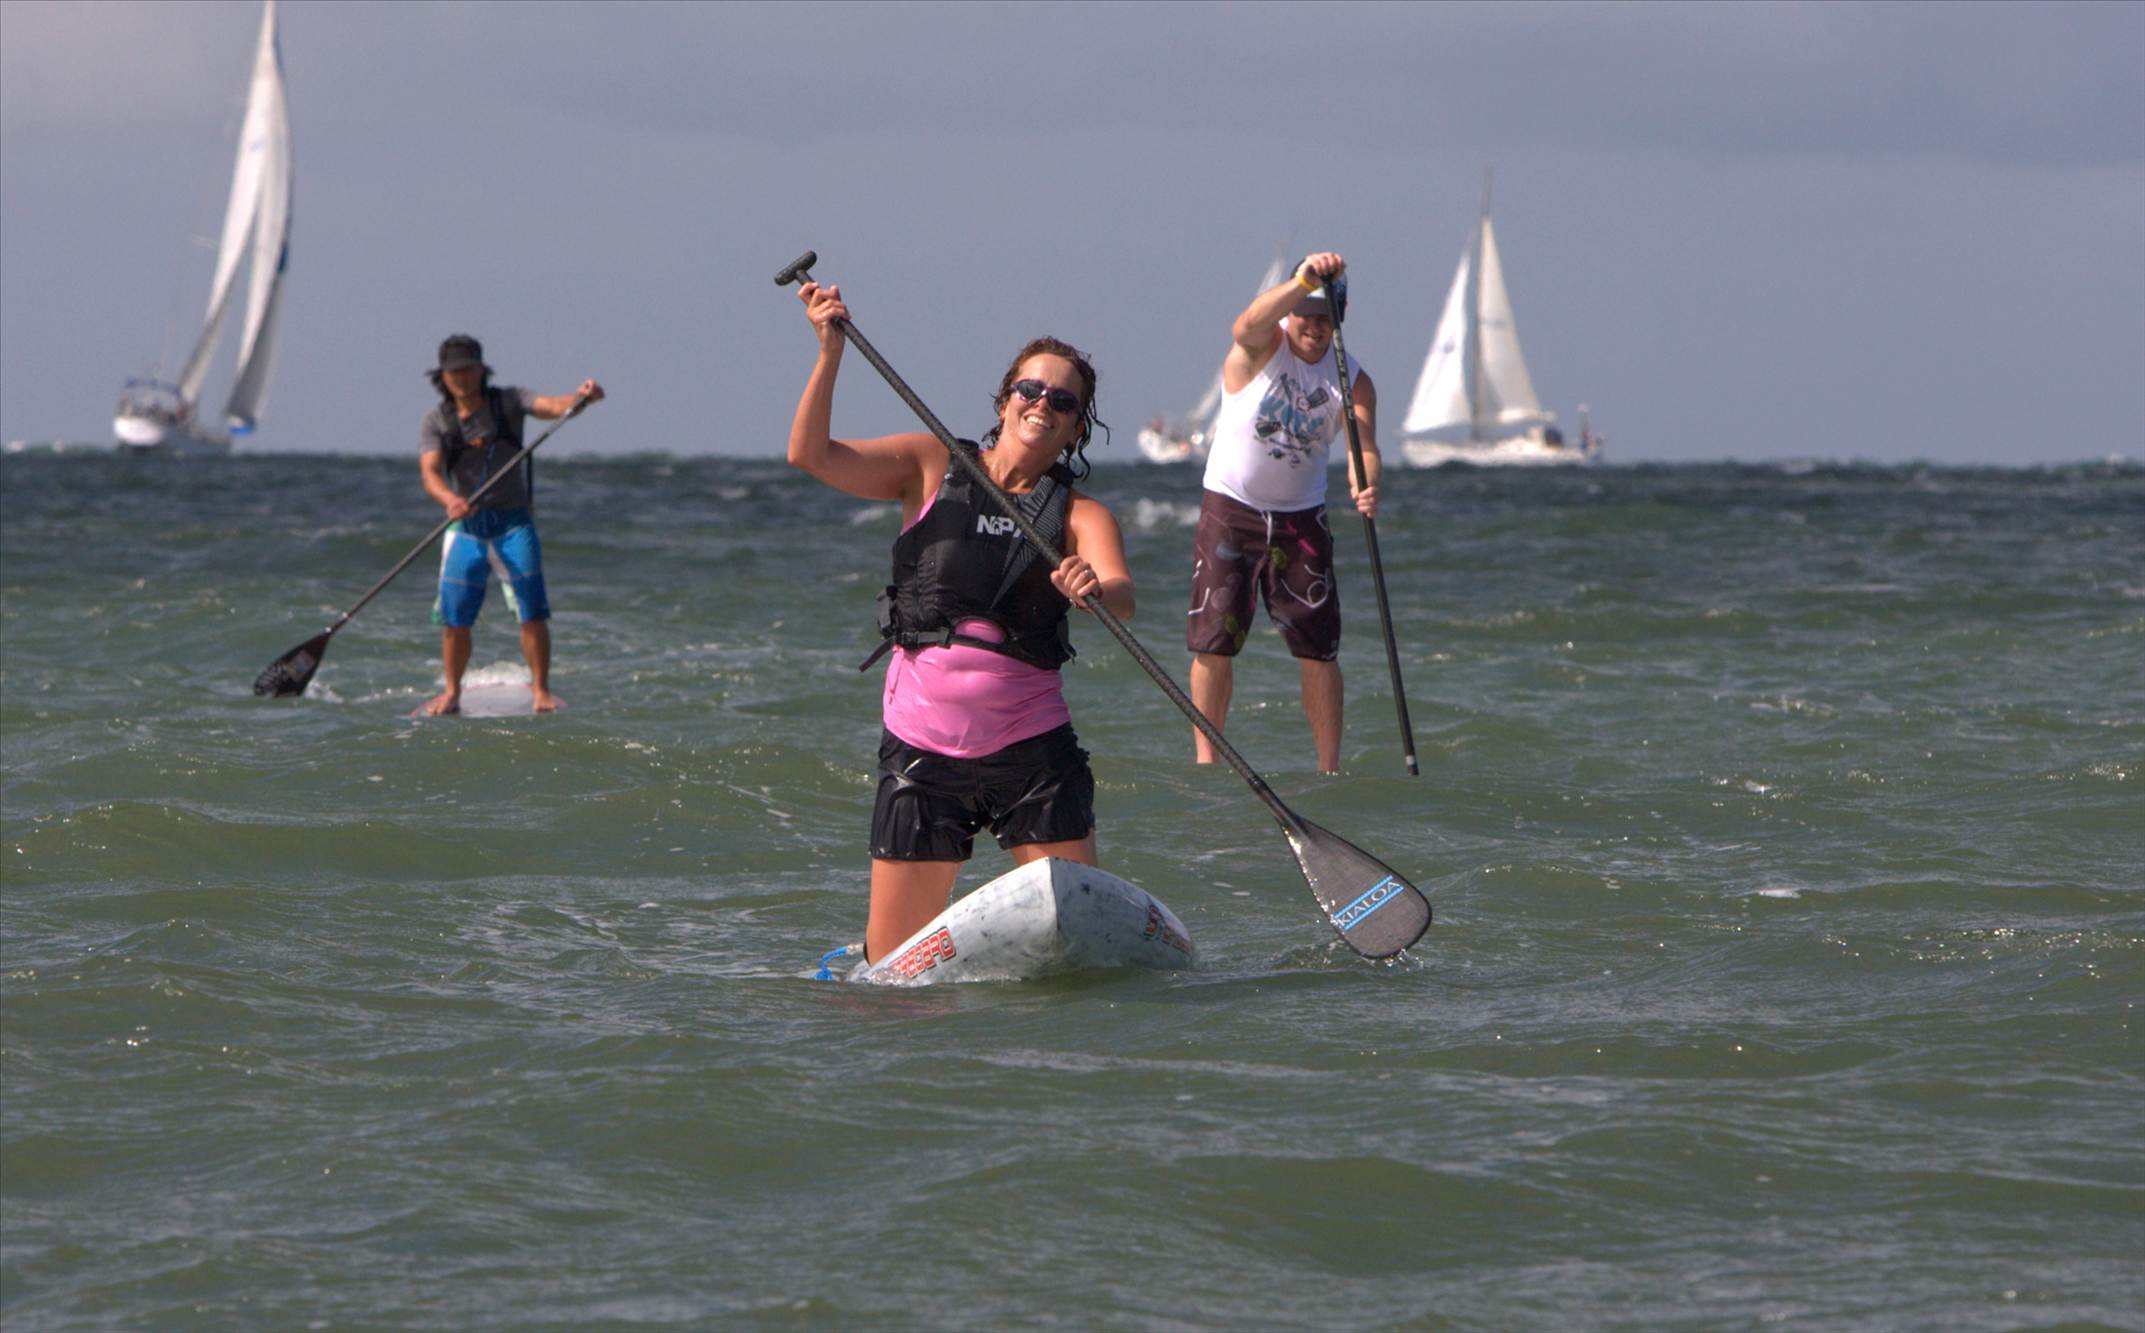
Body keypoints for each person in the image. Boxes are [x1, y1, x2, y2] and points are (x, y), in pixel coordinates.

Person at [788, 281, 1134, 965]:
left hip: (1033, 754)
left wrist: (1091, 584)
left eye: (1062, 401)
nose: (1043, 404)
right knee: (891, 972)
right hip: (923, 753)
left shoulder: (1080, 517)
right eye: (1030, 390)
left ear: (1073, 428)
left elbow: (1121, 594)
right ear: (1005, 398)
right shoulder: (929, 465)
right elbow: (811, 456)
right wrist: (829, 352)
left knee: (1080, 951)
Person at [1187, 251, 1380, 774]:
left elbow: (1363, 443)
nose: (1313, 327)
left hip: (1301, 518)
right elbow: (1246, 321)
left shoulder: (1352, 378)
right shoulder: (1261, 347)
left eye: (1324, 317)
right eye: (1305, 314)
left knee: (1319, 648)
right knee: (1215, 640)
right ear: (1290, 311)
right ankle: (1208, 760)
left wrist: (1366, 482)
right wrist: (1303, 281)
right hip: (1232, 507)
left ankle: (1329, 767)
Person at [417, 334, 603, 716]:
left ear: (481, 369)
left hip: (513, 525)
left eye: (468, 369)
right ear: (443, 377)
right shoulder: (437, 420)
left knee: (532, 611)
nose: (462, 378)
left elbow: (552, 407)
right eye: (454, 372)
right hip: (466, 529)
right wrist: (449, 499)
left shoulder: (509, 401)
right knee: (455, 617)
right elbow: (431, 473)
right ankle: (452, 692)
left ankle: (541, 691)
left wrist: (580, 399)